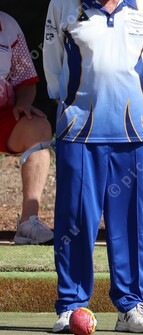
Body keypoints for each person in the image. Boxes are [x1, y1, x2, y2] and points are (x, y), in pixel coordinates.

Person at [43, 0, 143, 333]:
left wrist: (136, 106)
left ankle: (130, 305)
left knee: (129, 222)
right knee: (75, 219)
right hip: (79, 129)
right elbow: (53, 62)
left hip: (132, 129)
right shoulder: (63, 4)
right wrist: (65, 103)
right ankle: (72, 305)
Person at [0, 11, 53, 245]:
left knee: (38, 127)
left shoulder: (7, 24)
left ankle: (28, 222)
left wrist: (23, 102)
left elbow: (25, 79)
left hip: (4, 115)